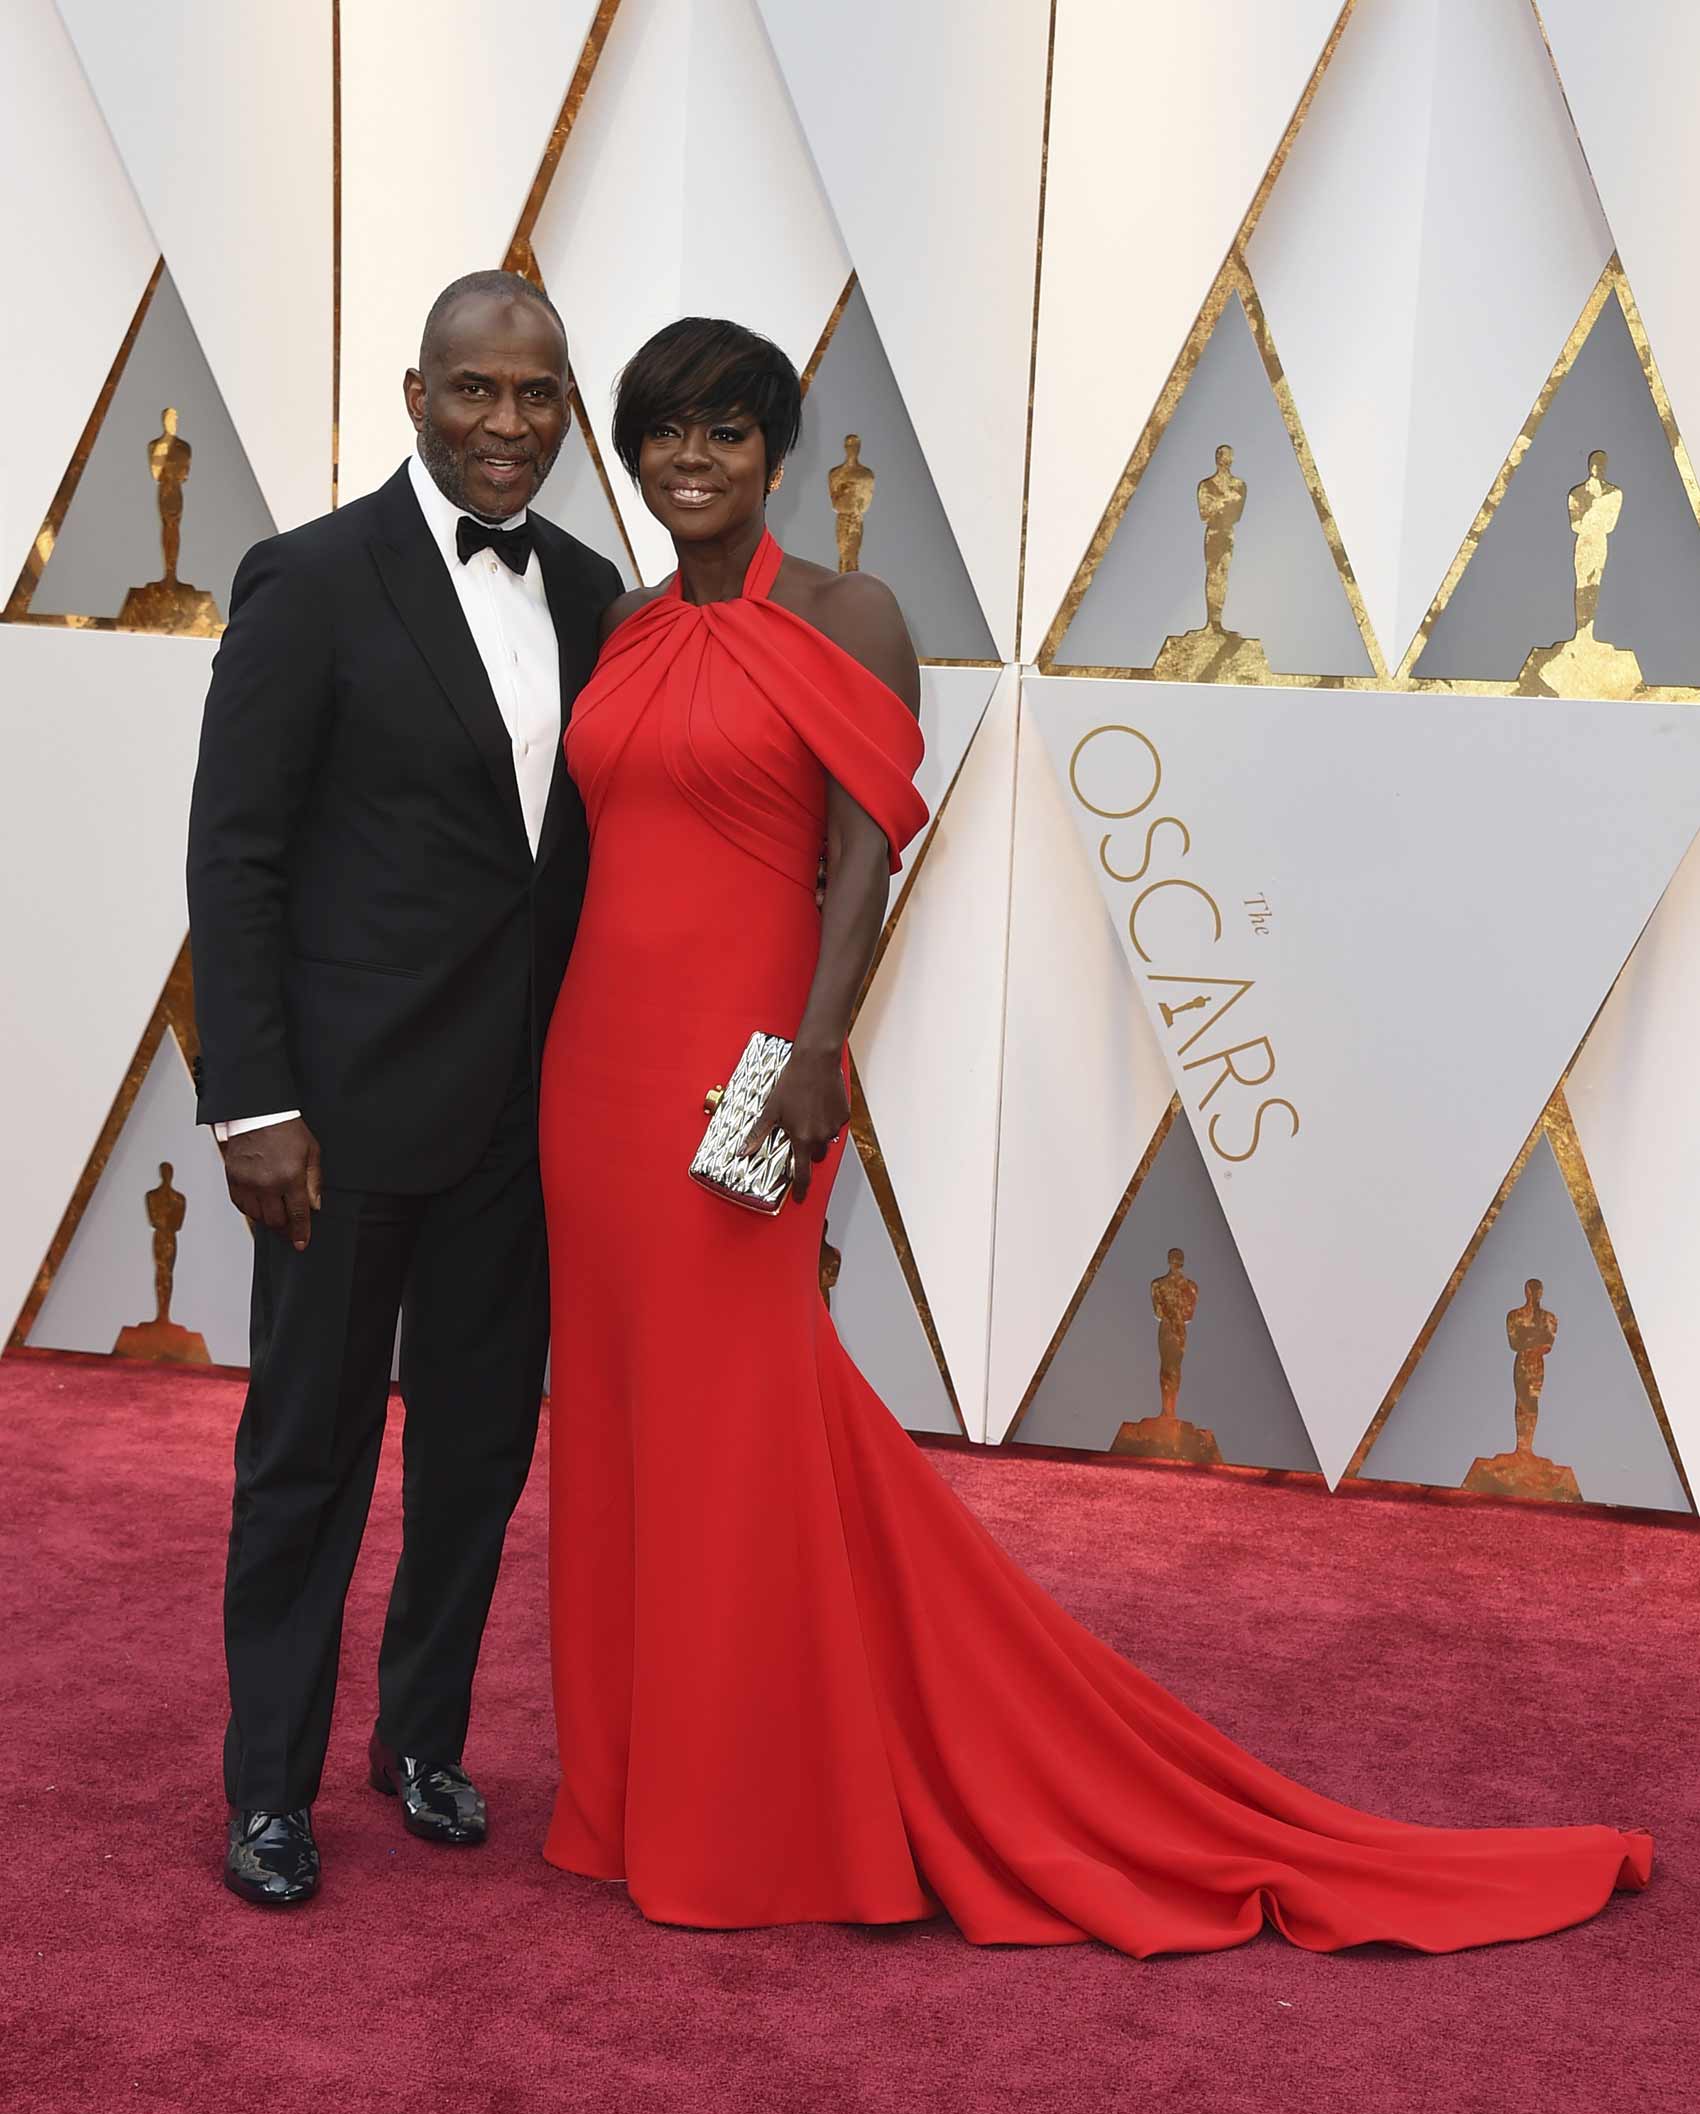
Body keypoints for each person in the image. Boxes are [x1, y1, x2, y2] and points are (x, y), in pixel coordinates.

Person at [537, 315, 1649, 1956]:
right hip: (597, 1084)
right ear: (632, 454)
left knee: (733, 1414)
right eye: (663, 434)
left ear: (775, 452)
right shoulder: (624, 628)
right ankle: (634, 1788)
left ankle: (752, 1805)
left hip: (746, 1081)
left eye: (725, 432)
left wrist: (815, 1054)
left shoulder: (852, 614)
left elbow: (863, 862)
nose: (690, 461)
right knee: (636, 1423)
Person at [187, 270, 622, 1906]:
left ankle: (422, 1735)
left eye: (537, 394)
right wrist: (253, 1100)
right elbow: (233, 854)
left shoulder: (590, 590)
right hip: (340, 1119)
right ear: (416, 393)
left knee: (480, 1447)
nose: (508, 424)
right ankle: (270, 1790)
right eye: (474, 392)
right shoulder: (309, 580)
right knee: (307, 1454)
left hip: (526, 1116)